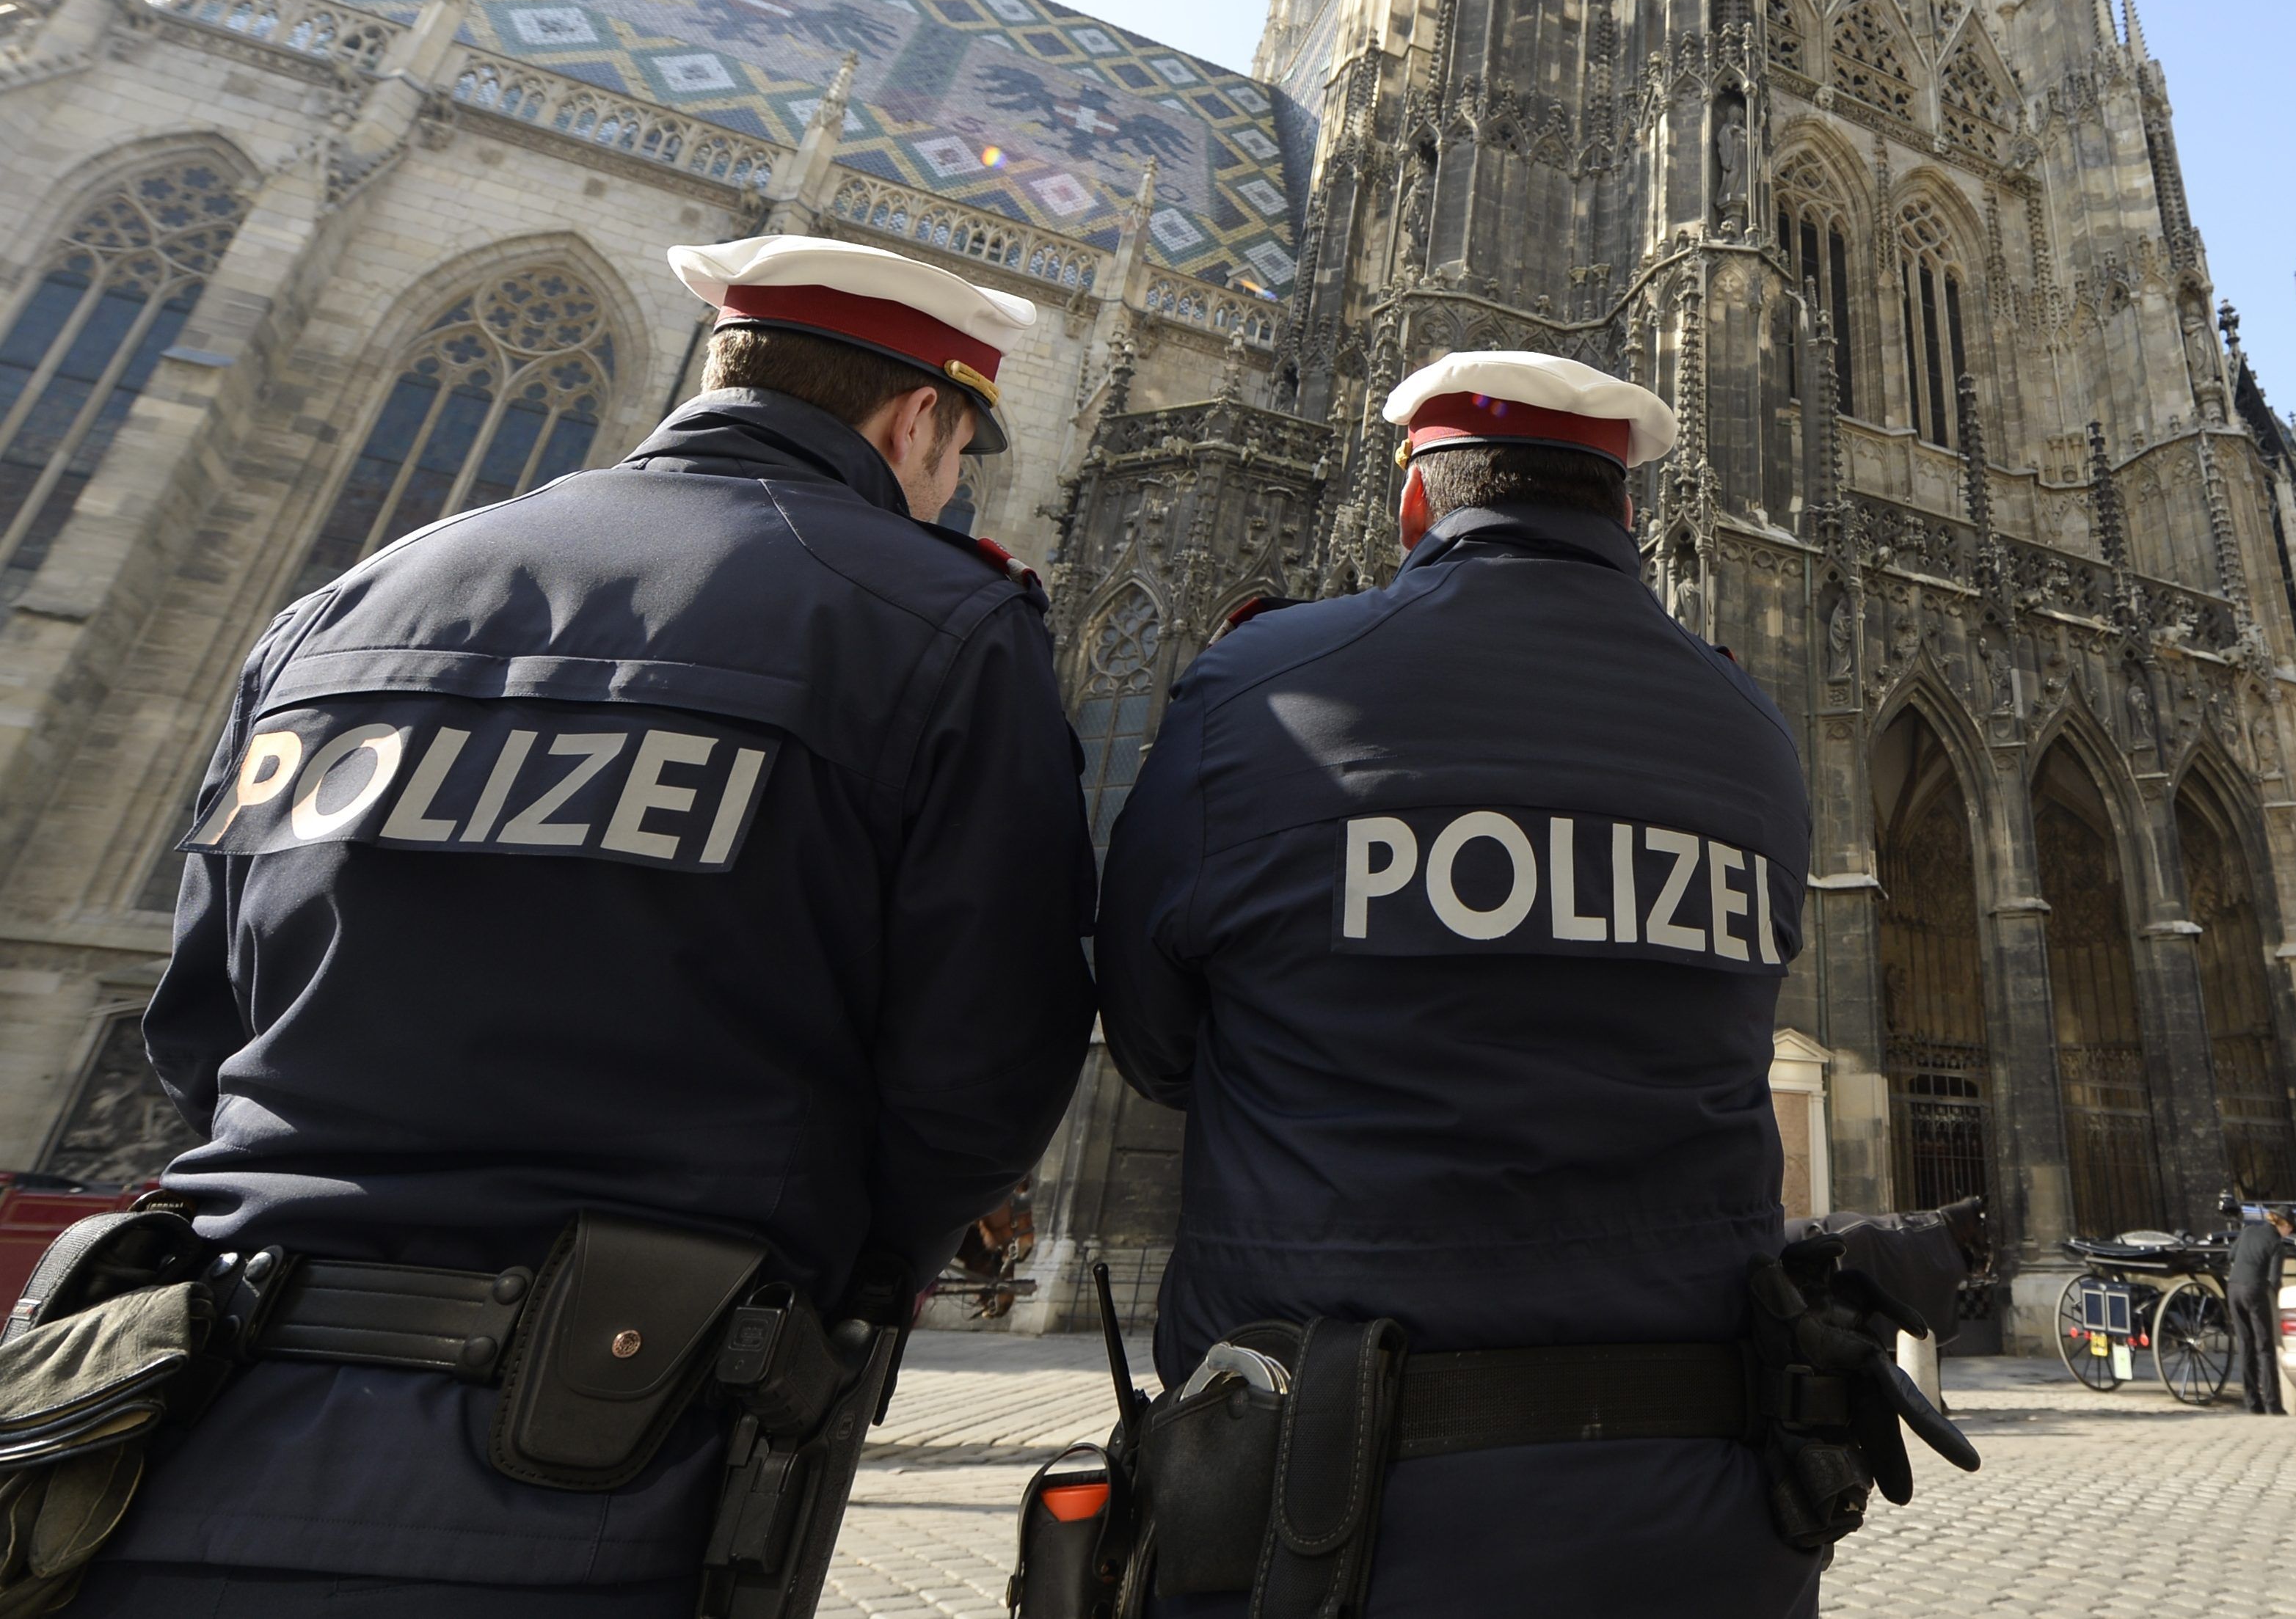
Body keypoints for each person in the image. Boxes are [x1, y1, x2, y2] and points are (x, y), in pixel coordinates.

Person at [73, 235, 1098, 1616]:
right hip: (625, 1421)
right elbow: (985, 1052)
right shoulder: (940, 619)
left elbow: (201, 1008)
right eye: (960, 451)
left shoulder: (356, 598)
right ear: (918, 415)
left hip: (208, 1389)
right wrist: (840, 1283)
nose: (953, 484)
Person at [1096, 351, 1822, 1619]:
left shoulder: (1264, 689)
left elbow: (1154, 1034)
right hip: (1701, 1503)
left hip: (1324, 1511)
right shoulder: (1751, 732)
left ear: (1414, 503)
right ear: (1627, 516)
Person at [2227, 1194, 2286, 1415]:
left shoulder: (2248, 1231)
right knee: (2265, 1348)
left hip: (2233, 1288)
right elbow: (2274, 1280)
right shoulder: (2277, 1244)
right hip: (2254, 1291)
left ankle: (2253, 1403)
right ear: (2285, 1226)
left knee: (2246, 1345)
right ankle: (2273, 1403)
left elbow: (2231, 1255)